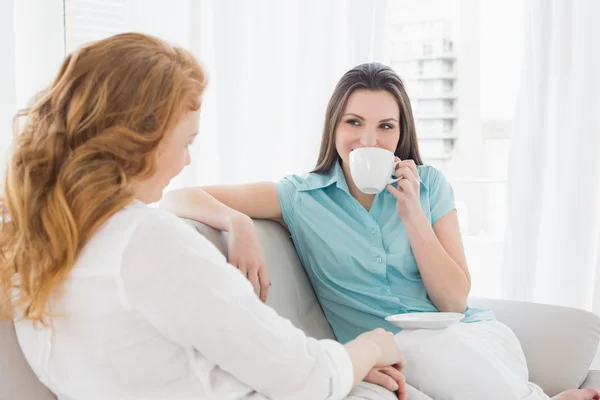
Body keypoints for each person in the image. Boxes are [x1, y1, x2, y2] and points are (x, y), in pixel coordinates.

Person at [0, 34, 408, 400]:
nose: (186, 160)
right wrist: (372, 345)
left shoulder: (34, 248)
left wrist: (343, 364)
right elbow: (307, 379)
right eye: (186, 142)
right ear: (139, 143)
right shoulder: (144, 240)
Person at [161, 62, 600, 400]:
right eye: (354, 122)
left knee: (430, 346)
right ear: (334, 126)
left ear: (401, 132)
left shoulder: (429, 187)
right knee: (412, 347)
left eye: (385, 126)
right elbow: (178, 196)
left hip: (477, 341)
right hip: (396, 352)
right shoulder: (300, 196)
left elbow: (453, 301)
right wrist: (236, 222)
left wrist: (412, 213)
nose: (368, 140)